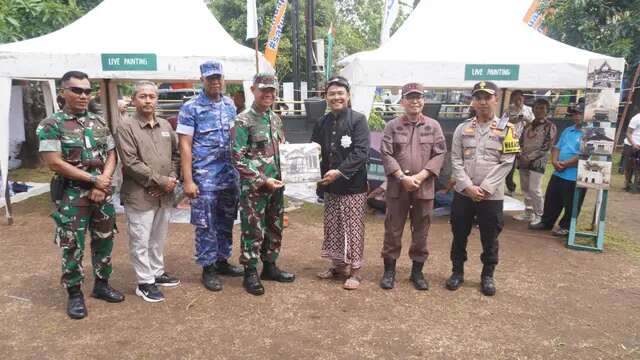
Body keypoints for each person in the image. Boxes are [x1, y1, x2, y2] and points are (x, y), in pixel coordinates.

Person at [37, 71, 124, 319]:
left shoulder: (98, 122)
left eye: (87, 90)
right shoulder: (51, 124)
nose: (83, 95)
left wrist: (102, 182)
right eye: (77, 90)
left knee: (104, 238)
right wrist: (94, 180)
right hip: (72, 195)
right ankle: (74, 293)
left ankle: (101, 285)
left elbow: (111, 154)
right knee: (72, 244)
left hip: (101, 193)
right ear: (63, 92)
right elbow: (54, 162)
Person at [446, 81, 519, 296]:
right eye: (478, 97)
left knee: (490, 237)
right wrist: (468, 187)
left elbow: (507, 162)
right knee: (459, 234)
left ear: (496, 99)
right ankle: (457, 272)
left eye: (487, 97)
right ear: (473, 102)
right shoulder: (462, 128)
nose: (482, 102)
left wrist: (485, 188)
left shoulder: (508, 129)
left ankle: (487, 275)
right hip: (463, 194)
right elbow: (456, 160)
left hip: (492, 196)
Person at [176, 61, 244, 292]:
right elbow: (184, 145)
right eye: (210, 78)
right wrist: (188, 180)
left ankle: (222, 260)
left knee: (226, 221)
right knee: (206, 224)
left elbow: (235, 137)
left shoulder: (229, 104)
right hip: (204, 177)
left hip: (229, 175)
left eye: (218, 78)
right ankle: (208, 268)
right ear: (202, 80)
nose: (215, 82)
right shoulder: (190, 107)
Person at [231, 73, 295, 296]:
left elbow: (283, 150)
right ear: (253, 91)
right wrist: (262, 179)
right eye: (264, 90)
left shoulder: (275, 119)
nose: (268, 94)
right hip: (255, 188)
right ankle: (250, 271)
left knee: (274, 226)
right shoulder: (243, 120)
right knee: (253, 229)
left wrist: (294, 168)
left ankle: (270, 266)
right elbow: (237, 157)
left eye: (272, 91)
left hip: (277, 185)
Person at [115, 81, 181, 303]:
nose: (148, 100)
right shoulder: (126, 127)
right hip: (139, 194)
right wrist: (160, 181)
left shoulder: (165, 125)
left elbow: (175, 154)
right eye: (142, 96)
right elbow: (131, 162)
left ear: (157, 100)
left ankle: (157, 272)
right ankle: (144, 282)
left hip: (164, 193)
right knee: (140, 239)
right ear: (134, 100)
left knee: (157, 238)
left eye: (152, 96)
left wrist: (171, 179)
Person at [378, 82, 446, 291]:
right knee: (393, 229)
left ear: (423, 100)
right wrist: (401, 177)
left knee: (421, 229)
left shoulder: (433, 126)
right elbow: (386, 153)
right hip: (398, 187)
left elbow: (440, 153)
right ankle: (389, 271)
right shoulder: (392, 126)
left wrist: (422, 175)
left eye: (418, 97)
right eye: (410, 97)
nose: (415, 101)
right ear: (403, 101)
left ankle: (417, 272)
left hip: (423, 187)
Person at [312, 76, 370, 290]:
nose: (336, 97)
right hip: (330, 186)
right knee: (333, 226)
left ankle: (355, 271)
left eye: (340, 93)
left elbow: (362, 153)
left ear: (348, 95)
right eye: (332, 94)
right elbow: (314, 151)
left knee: (352, 228)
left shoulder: (358, 120)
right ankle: (338, 266)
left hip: (352, 186)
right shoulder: (322, 122)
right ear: (326, 97)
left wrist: (339, 171)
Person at [529, 99, 587, 236]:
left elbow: (585, 155)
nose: (577, 116)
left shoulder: (589, 133)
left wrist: (566, 164)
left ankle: (566, 226)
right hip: (558, 172)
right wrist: (555, 161)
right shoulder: (568, 130)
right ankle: (546, 222)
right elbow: (557, 147)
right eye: (575, 113)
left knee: (571, 203)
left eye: (580, 113)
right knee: (552, 198)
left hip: (575, 174)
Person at [512, 98, 558, 225]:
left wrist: (529, 158)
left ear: (547, 110)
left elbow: (546, 147)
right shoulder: (528, 125)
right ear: (533, 110)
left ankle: (539, 214)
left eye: (542, 108)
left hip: (538, 162)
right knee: (525, 188)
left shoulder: (550, 126)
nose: (539, 110)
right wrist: (521, 155)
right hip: (523, 160)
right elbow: (520, 142)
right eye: (537, 108)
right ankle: (528, 212)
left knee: (534, 189)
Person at [503, 90, 534, 196]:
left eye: (519, 98)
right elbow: (502, 123)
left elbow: (534, 124)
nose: (518, 101)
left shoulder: (529, 110)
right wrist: (517, 118)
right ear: (512, 99)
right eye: (515, 98)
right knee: (508, 166)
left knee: (525, 168)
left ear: (523, 98)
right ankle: (511, 188)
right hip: (511, 140)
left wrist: (526, 118)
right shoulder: (508, 110)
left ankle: (529, 192)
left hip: (525, 142)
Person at [623, 111, 640, 192]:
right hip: (631, 145)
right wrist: (633, 144)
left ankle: (637, 184)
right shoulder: (636, 118)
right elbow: (628, 133)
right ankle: (627, 183)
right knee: (629, 166)